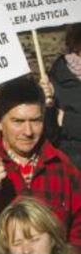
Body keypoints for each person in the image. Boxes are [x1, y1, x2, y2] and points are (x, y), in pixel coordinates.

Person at [0, 76, 81, 253]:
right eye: (18, 122)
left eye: (36, 121)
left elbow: (78, 231)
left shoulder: (62, 165)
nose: (28, 132)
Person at [0, 197, 70, 254]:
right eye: (17, 243)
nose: (26, 250)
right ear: (7, 247)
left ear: (52, 239)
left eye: (35, 240)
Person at [48, 23, 81, 170]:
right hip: (72, 168)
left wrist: (67, 120)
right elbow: (50, 133)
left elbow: (61, 121)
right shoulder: (57, 76)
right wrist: (47, 105)